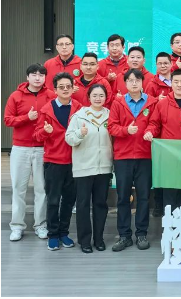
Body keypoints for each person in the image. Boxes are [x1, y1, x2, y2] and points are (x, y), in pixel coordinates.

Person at [4, 64, 55, 241]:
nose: (37, 78)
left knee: (42, 189)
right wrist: (27, 118)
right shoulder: (16, 96)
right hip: (21, 148)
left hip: (43, 148)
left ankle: (41, 225)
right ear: (27, 77)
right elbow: (8, 120)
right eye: (34, 74)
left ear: (45, 78)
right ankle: (17, 226)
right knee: (18, 188)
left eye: (41, 75)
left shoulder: (51, 95)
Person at [107, 68, 157, 252]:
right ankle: (124, 236)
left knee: (143, 197)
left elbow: (155, 123)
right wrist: (125, 130)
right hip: (123, 157)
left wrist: (150, 131)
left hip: (145, 156)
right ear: (125, 83)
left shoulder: (152, 102)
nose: (134, 83)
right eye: (130, 80)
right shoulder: (118, 102)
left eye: (137, 80)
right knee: (123, 197)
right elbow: (111, 126)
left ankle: (141, 233)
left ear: (142, 82)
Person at [33, 72, 82, 251]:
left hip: (74, 162)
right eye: (61, 87)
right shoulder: (46, 110)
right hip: (53, 161)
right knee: (53, 200)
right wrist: (45, 131)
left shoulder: (79, 108)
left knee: (69, 200)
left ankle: (64, 233)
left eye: (68, 86)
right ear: (55, 90)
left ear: (73, 88)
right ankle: (52, 234)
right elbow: (36, 135)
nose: (65, 89)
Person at [143, 69, 181, 210]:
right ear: (171, 83)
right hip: (169, 155)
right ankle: (169, 221)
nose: (179, 85)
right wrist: (149, 132)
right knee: (169, 192)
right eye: (176, 82)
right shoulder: (162, 104)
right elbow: (154, 124)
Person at [65, 84, 113, 254]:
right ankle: (84, 240)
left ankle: (99, 239)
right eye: (95, 95)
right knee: (83, 205)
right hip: (84, 167)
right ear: (89, 97)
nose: (98, 98)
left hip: (104, 168)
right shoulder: (79, 116)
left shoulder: (110, 115)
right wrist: (80, 133)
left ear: (106, 97)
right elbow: (69, 138)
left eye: (101, 95)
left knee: (100, 204)